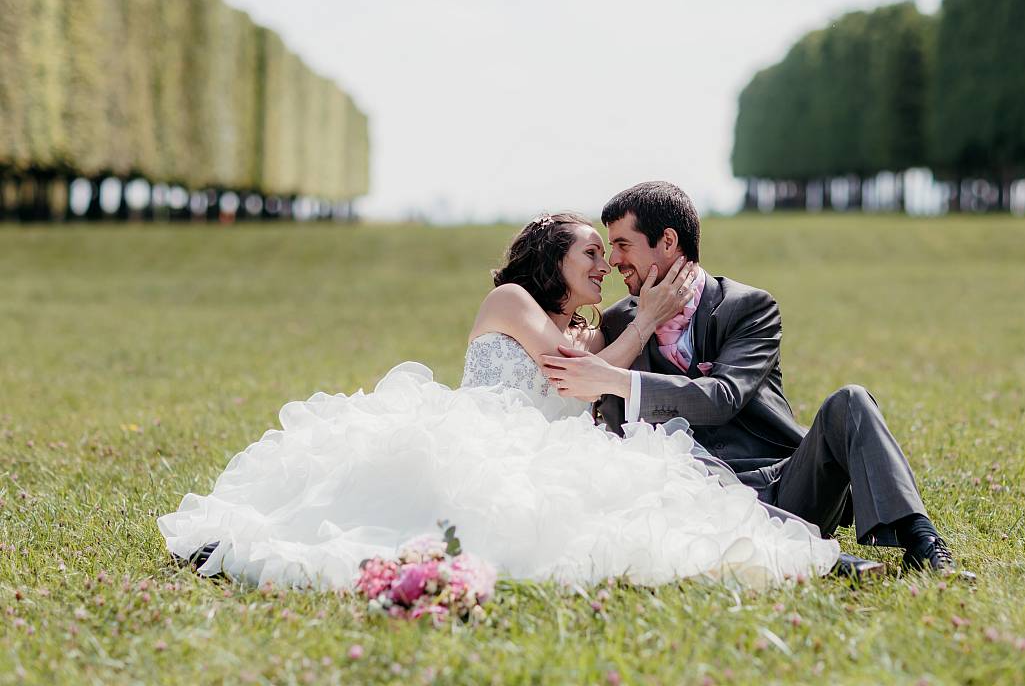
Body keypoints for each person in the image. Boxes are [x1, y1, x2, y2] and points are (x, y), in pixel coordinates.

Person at [158, 212, 840, 589]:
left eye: (609, 255)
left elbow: (598, 368)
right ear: (554, 261)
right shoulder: (513, 300)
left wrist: (639, 318)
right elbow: (572, 374)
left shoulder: (590, 326)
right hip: (483, 435)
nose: (604, 267)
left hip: (546, 449)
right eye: (592, 255)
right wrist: (639, 319)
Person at [541, 182, 974, 579]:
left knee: (852, 401)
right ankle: (820, 559)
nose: (614, 262)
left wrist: (620, 380)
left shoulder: (748, 308)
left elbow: (723, 398)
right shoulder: (620, 322)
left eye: (622, 245)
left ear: (668, 242)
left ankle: (922, 541)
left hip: (786, 485)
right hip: (697, 498)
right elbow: (622, 429)